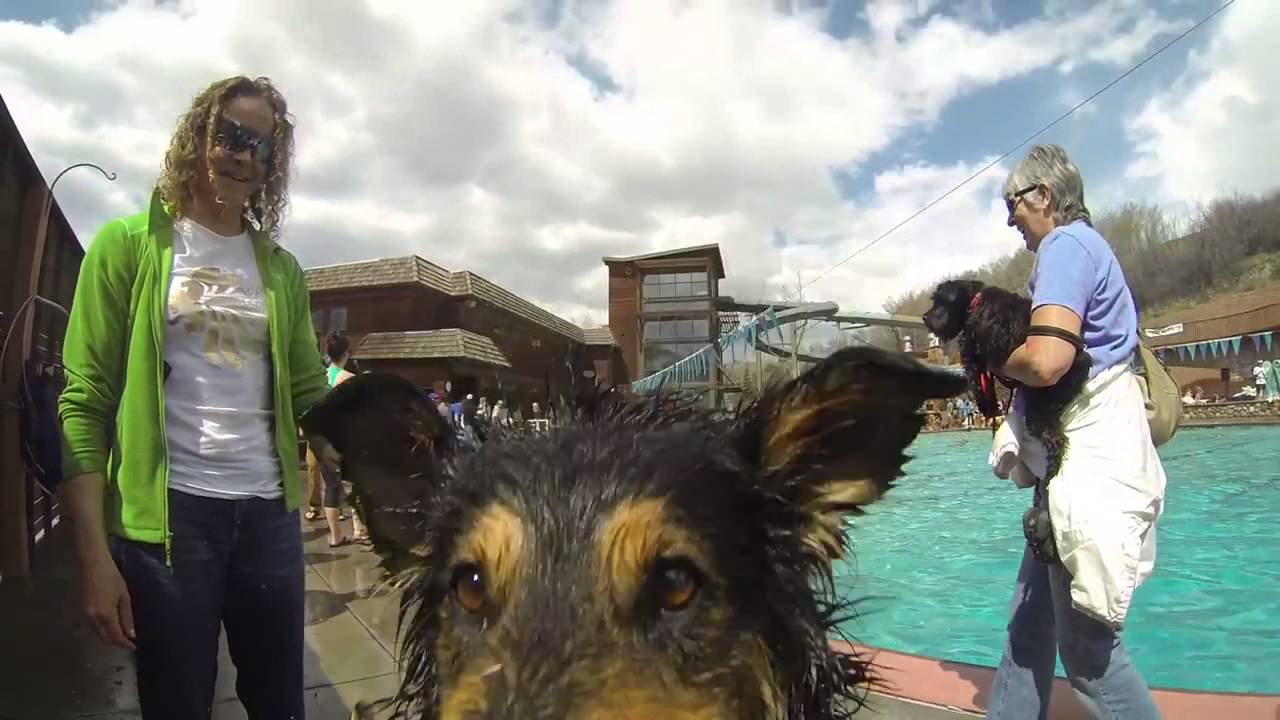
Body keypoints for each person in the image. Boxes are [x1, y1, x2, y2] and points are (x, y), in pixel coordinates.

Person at [57, 76, 331, 719]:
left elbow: (309, 392)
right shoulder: (127, 246)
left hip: (269, 517)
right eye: (230, 136)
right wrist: (95, 557)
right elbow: (84, 402)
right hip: (170, 523)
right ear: (197, 137)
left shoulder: (281, 269)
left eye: (261, 146)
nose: (243, 156)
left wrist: (382, 453)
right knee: (177, 702)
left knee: (280, 703)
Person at [987, 145, 1165, 719]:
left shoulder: (1065, 246)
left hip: (1088, 470)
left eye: (1013, 204)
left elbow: (1046, 362)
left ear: (1043, 196)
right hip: (1071, 470)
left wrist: (988, 357)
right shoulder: (1087, 248)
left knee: (1090, 657)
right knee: (1027, 630)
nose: (1011, 219)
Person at [307, 331, 369, 548]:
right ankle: (359, 530)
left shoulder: (321, 377)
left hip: (323, 439)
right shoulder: (349, 379)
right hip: (345, 439)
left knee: (331, 487)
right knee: (356, 485)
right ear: (347, 353)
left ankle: (335, 536)